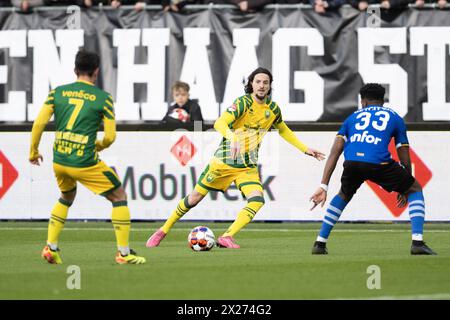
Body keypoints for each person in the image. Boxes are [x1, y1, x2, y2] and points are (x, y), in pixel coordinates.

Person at [146, 67, 325, 249]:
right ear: (251, 84)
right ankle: (163, 230)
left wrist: (305, 149)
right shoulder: (243, 103)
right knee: (193, 198)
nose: (261, 86)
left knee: (257, 200)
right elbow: (220, 123)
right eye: (258, 82)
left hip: (247, 167)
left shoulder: (272, 109)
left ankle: (227, 236)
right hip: (224, 163)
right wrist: (233, 138)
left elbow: (283, 129)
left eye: (265, 82)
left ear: (270, 86)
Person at [29, 49, 146, 265]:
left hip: (60, 160)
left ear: (75, 70)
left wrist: (33, 151)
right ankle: (123, 253)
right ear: (97, 72)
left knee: (66, 196)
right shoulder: (103, 98)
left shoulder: (58, 92)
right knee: (119, 196)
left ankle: (51, 247)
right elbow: (110, 137)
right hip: (84, 161)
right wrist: (97, 147)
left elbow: (38, 123)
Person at [309, 83, 436, 255]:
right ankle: (418, 242)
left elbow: (335, 152)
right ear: (382, 101)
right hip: (378, 163)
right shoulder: (395, 118)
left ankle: (320, 243)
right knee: (415, 189)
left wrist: (324, 185)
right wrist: (405, 184)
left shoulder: (352, 118)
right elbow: (403, 152)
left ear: (364, 102)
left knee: (343, 194)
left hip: (352, 162)